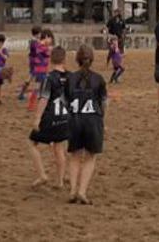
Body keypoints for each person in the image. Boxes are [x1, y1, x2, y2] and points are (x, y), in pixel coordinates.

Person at [66, 44, 107, 205]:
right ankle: (82, 191)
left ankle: (72, 190)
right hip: (92, 119)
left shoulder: (70, 78)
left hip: (75, 119)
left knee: (75, 156)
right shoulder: (99, 79)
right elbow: (104, 102)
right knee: (90, 156)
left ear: (77, 59)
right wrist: (103, 118)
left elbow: (65, 100)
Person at [28, 45, 70, 187]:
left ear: (51, 60)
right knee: (59, 148)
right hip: (65, 117)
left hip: (50, 117)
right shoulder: (71, 77)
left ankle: (42, 175)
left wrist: (37, 118)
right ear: (65, 59)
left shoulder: (49, 78)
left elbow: (44, 99)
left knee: (32, 143)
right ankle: (59, 181)